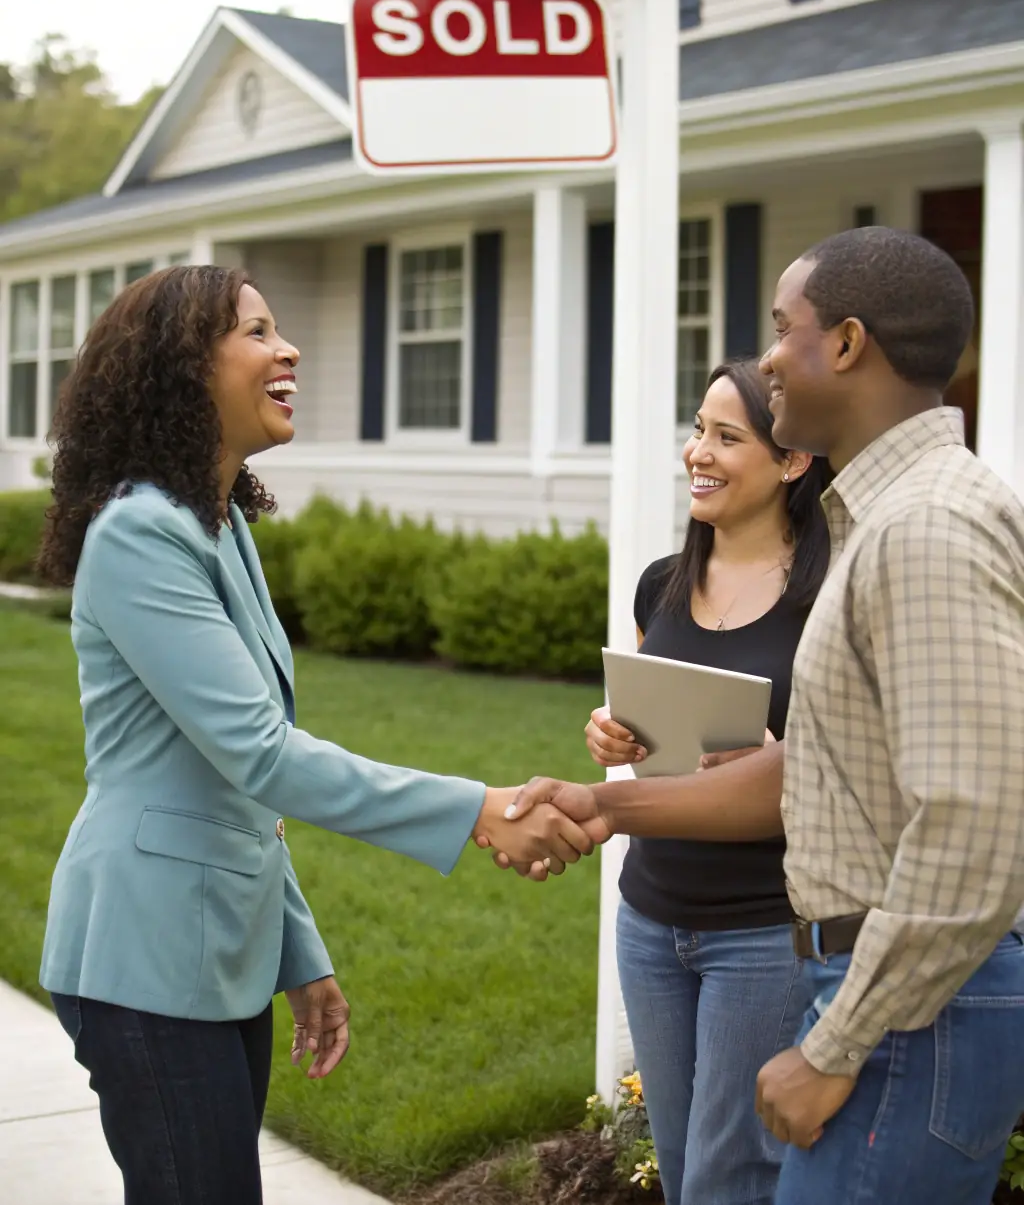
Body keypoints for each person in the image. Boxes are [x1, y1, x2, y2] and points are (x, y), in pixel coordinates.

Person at [36, 265, 598, 1205]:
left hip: (210, 955)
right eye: (255, 332)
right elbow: (262, 751)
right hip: (143, 957)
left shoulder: (217, 527)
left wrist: (299, 953)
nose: (286, 348)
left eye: (279, 328)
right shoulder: (139, 533)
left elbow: (235, 783)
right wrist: (481, 809)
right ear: (183, 370)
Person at [494, 227, 1024, 1205]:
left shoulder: (923, 531)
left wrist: (833, 1045)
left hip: (912, 1011)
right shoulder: (887, 520)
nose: (770, 356)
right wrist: (610, 794)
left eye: (785, 329)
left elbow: (975, 823)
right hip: (891, 993)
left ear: (849, 344)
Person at [584, 358, 831, 1205]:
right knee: (686, 1166)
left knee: (735, 1177)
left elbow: (849, 762)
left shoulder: (829, 597)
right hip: (651, 922)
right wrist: (610, 730)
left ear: (792, 459)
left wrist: (777, 750)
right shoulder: (664, 582)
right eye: (699, 429)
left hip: (763, 932)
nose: (700, 451)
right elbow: (654, 732)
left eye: (728, 436)